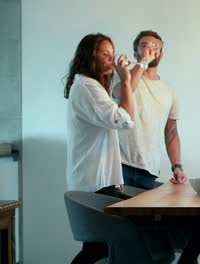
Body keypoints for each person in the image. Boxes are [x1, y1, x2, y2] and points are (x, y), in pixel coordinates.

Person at [64, 33, 134, 263]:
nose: (110, 59)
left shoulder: (90, 85)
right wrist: (125, 80)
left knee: (100, 247)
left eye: (112, 54)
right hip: (93, 181)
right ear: (89, 55)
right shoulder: (88, 86)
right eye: (105, 54)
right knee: (98, 248)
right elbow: (125, 120)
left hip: (97, 178)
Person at [113, 30, 186, 189]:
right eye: (144, 45)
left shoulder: (169, 90)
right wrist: (143, 62)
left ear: (161, 55)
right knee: (115, 213)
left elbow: (171, 131)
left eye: (156, 46)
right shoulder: (122, 75)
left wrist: (177, 166)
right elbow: (122, 93)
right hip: (119, 164)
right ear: (135, 53)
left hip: (149, 169)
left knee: (144, 214)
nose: (150, 49)